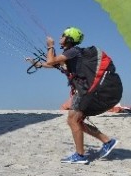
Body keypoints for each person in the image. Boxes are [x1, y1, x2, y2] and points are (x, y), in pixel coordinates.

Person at [27, 27, 120, 165]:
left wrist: (51, 46)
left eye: (63, 35)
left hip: (85, 91)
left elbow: (52, 60)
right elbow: (52, 64)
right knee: (76, 121)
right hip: (83, 91)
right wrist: (38, 64)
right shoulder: (70, 54)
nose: (60, 37)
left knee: (73, 121)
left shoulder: (73, 51)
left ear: (69, 39)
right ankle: (107, 141)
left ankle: (80, 156)